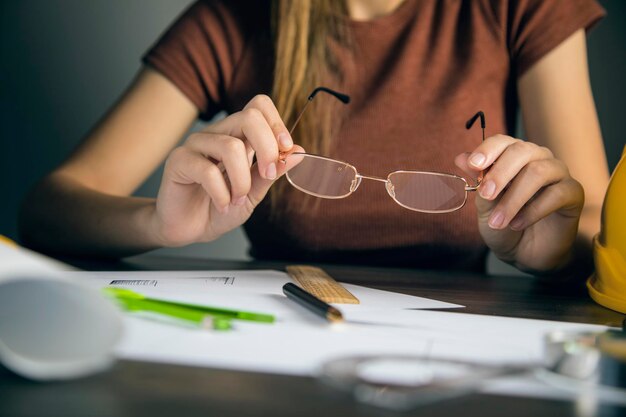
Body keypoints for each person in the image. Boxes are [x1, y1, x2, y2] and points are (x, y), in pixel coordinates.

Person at [19, 0, 610, 277]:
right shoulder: (236, 18)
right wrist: (158, 226)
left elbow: (598, 229)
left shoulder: (522, 7)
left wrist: (555, 249)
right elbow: (50, 208)